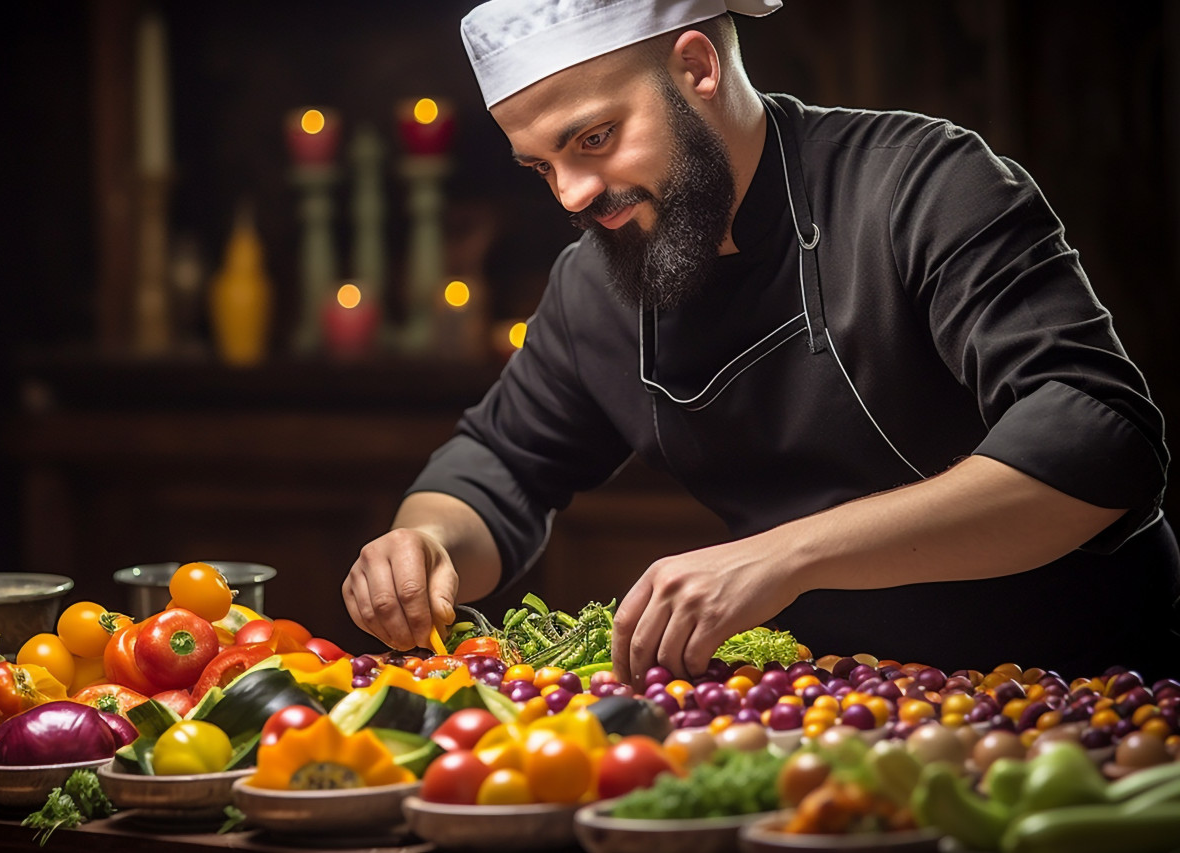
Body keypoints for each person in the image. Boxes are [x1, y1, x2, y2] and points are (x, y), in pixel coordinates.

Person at [344, 0, 1180, 688]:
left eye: (592, 139)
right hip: (840, 707)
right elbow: (500, 464)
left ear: (698, 68)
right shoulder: (592, 286)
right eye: (540, 167)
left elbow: (1101, 437)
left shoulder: (921, 183)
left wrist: (786, 555)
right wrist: (425, 544)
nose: (573, 194)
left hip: (1091, 687)